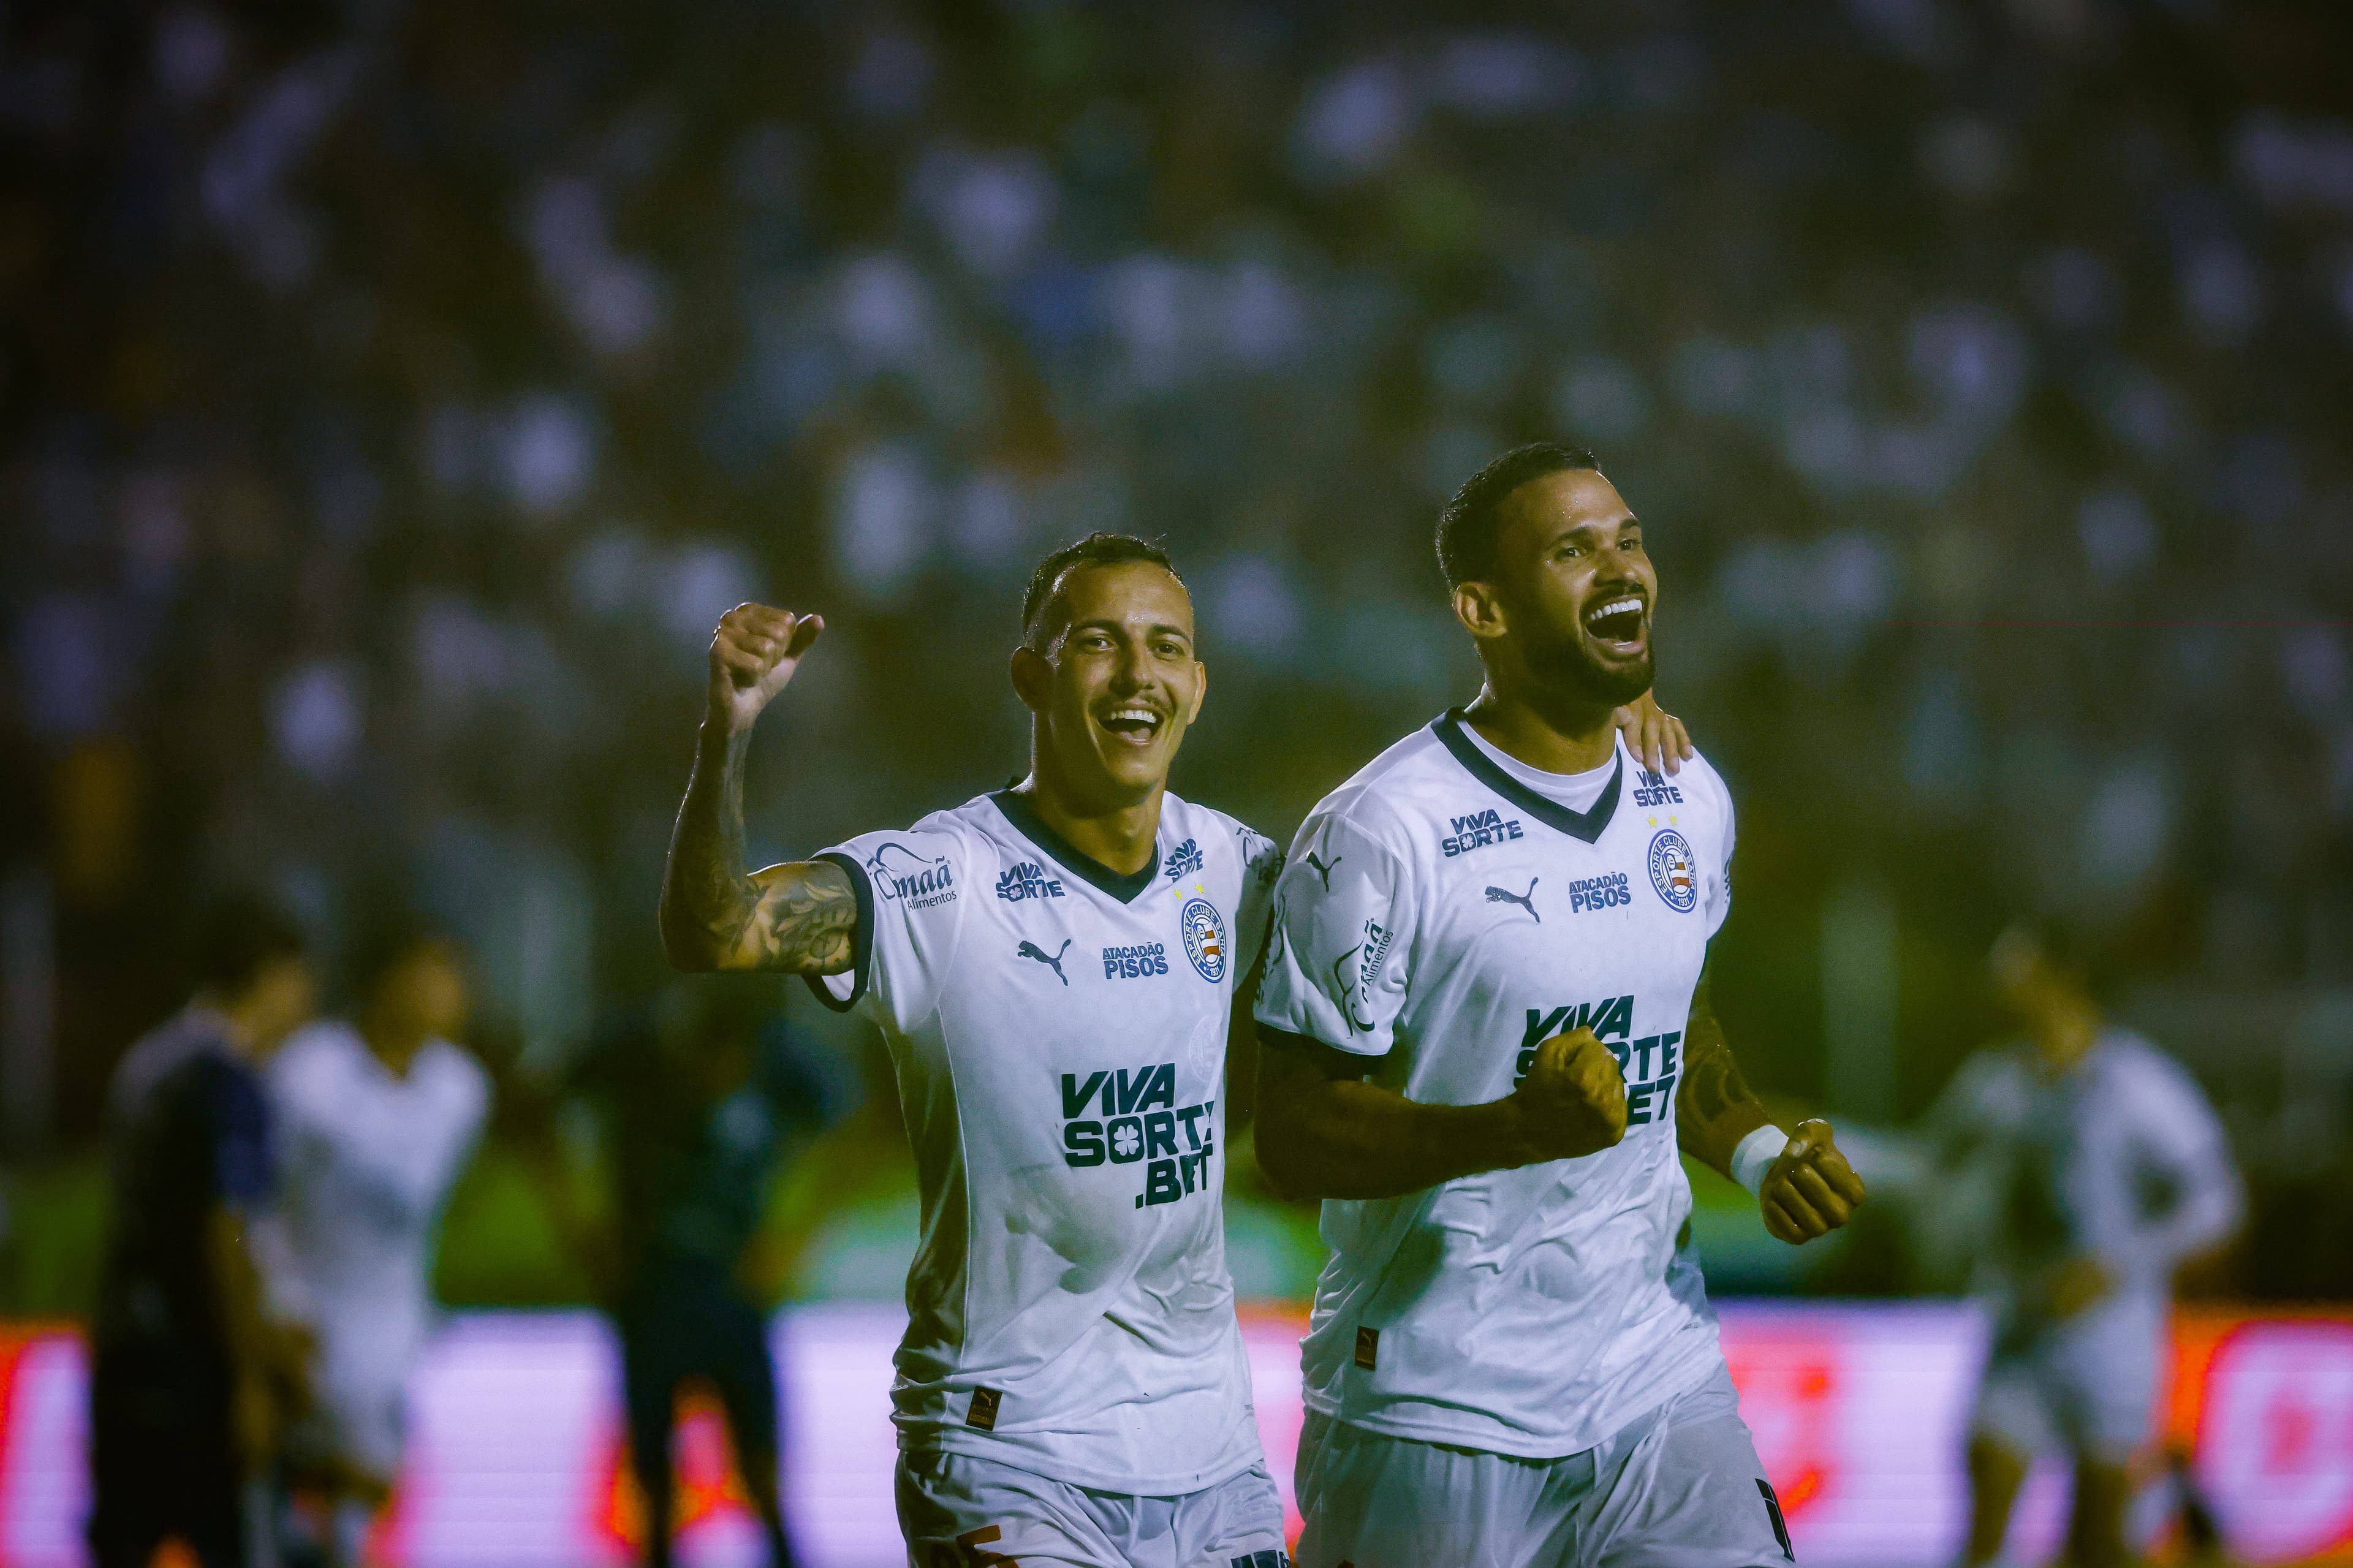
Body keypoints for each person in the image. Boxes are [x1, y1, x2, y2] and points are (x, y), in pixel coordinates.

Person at [658, 532, 1684, 1567]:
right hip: (1011, 1447)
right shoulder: (940, 879)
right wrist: (728, 728)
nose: (1137, 670)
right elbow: (716, 930)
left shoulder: (1240, 873)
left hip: (1214, 1458)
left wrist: (1577, 732)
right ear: (1032, 674)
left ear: (1195, 686)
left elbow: (1433, 917)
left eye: (1165, 646)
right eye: (1099, 641)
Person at [1252, 442, 1870, 1567]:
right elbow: (1292, 1132)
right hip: (1437, 1406)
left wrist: (1764, 1151)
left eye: (1629, 539)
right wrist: (1508, 1131)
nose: (1620, 567)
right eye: (1574, 549)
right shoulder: (1379, 831)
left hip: (1655, 1374)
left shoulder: (1686, 792)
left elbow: (1679, 1029)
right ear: (1482, 607)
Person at [1927, 920, 2240, 1568]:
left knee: (2098, 1543)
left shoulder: (2138, 1082)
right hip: (2022, 1330)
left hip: (2112, 1345)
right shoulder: (1997, 1082)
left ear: (2060, 977)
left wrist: (2122, 1264)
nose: (1998, 980)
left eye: (2015, 964)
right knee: (1984, 1514)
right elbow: (1931, 1164)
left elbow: (2218, 1200)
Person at [557, 979, 852, 1568]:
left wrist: (795, 1236)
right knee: (655, 1485)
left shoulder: (783, 1062)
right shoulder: (631, 1054)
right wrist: (585, 1224)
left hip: (736, 1297)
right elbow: (539, 1116)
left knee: (764, 1474)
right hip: (652, 1293)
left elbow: (850, 1136)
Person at [88, 893, 318, 1568]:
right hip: (202, 1369)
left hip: (126, 1354)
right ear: (271, 976)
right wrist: (251, 1374)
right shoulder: (229, 1082)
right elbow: (229, 1231)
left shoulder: (147, 1064)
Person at [266, 914, 490, 1567]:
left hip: (392, 1335)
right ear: (388, 979)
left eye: (456, 978)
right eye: (434, 974)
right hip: (302, 1323)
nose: (450, 994)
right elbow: (265, 1202)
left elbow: (421, 1202)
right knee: (287, 1520)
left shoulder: (463, 1089)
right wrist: (273, 1311)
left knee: (358, 1524)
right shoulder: (308, 1070)